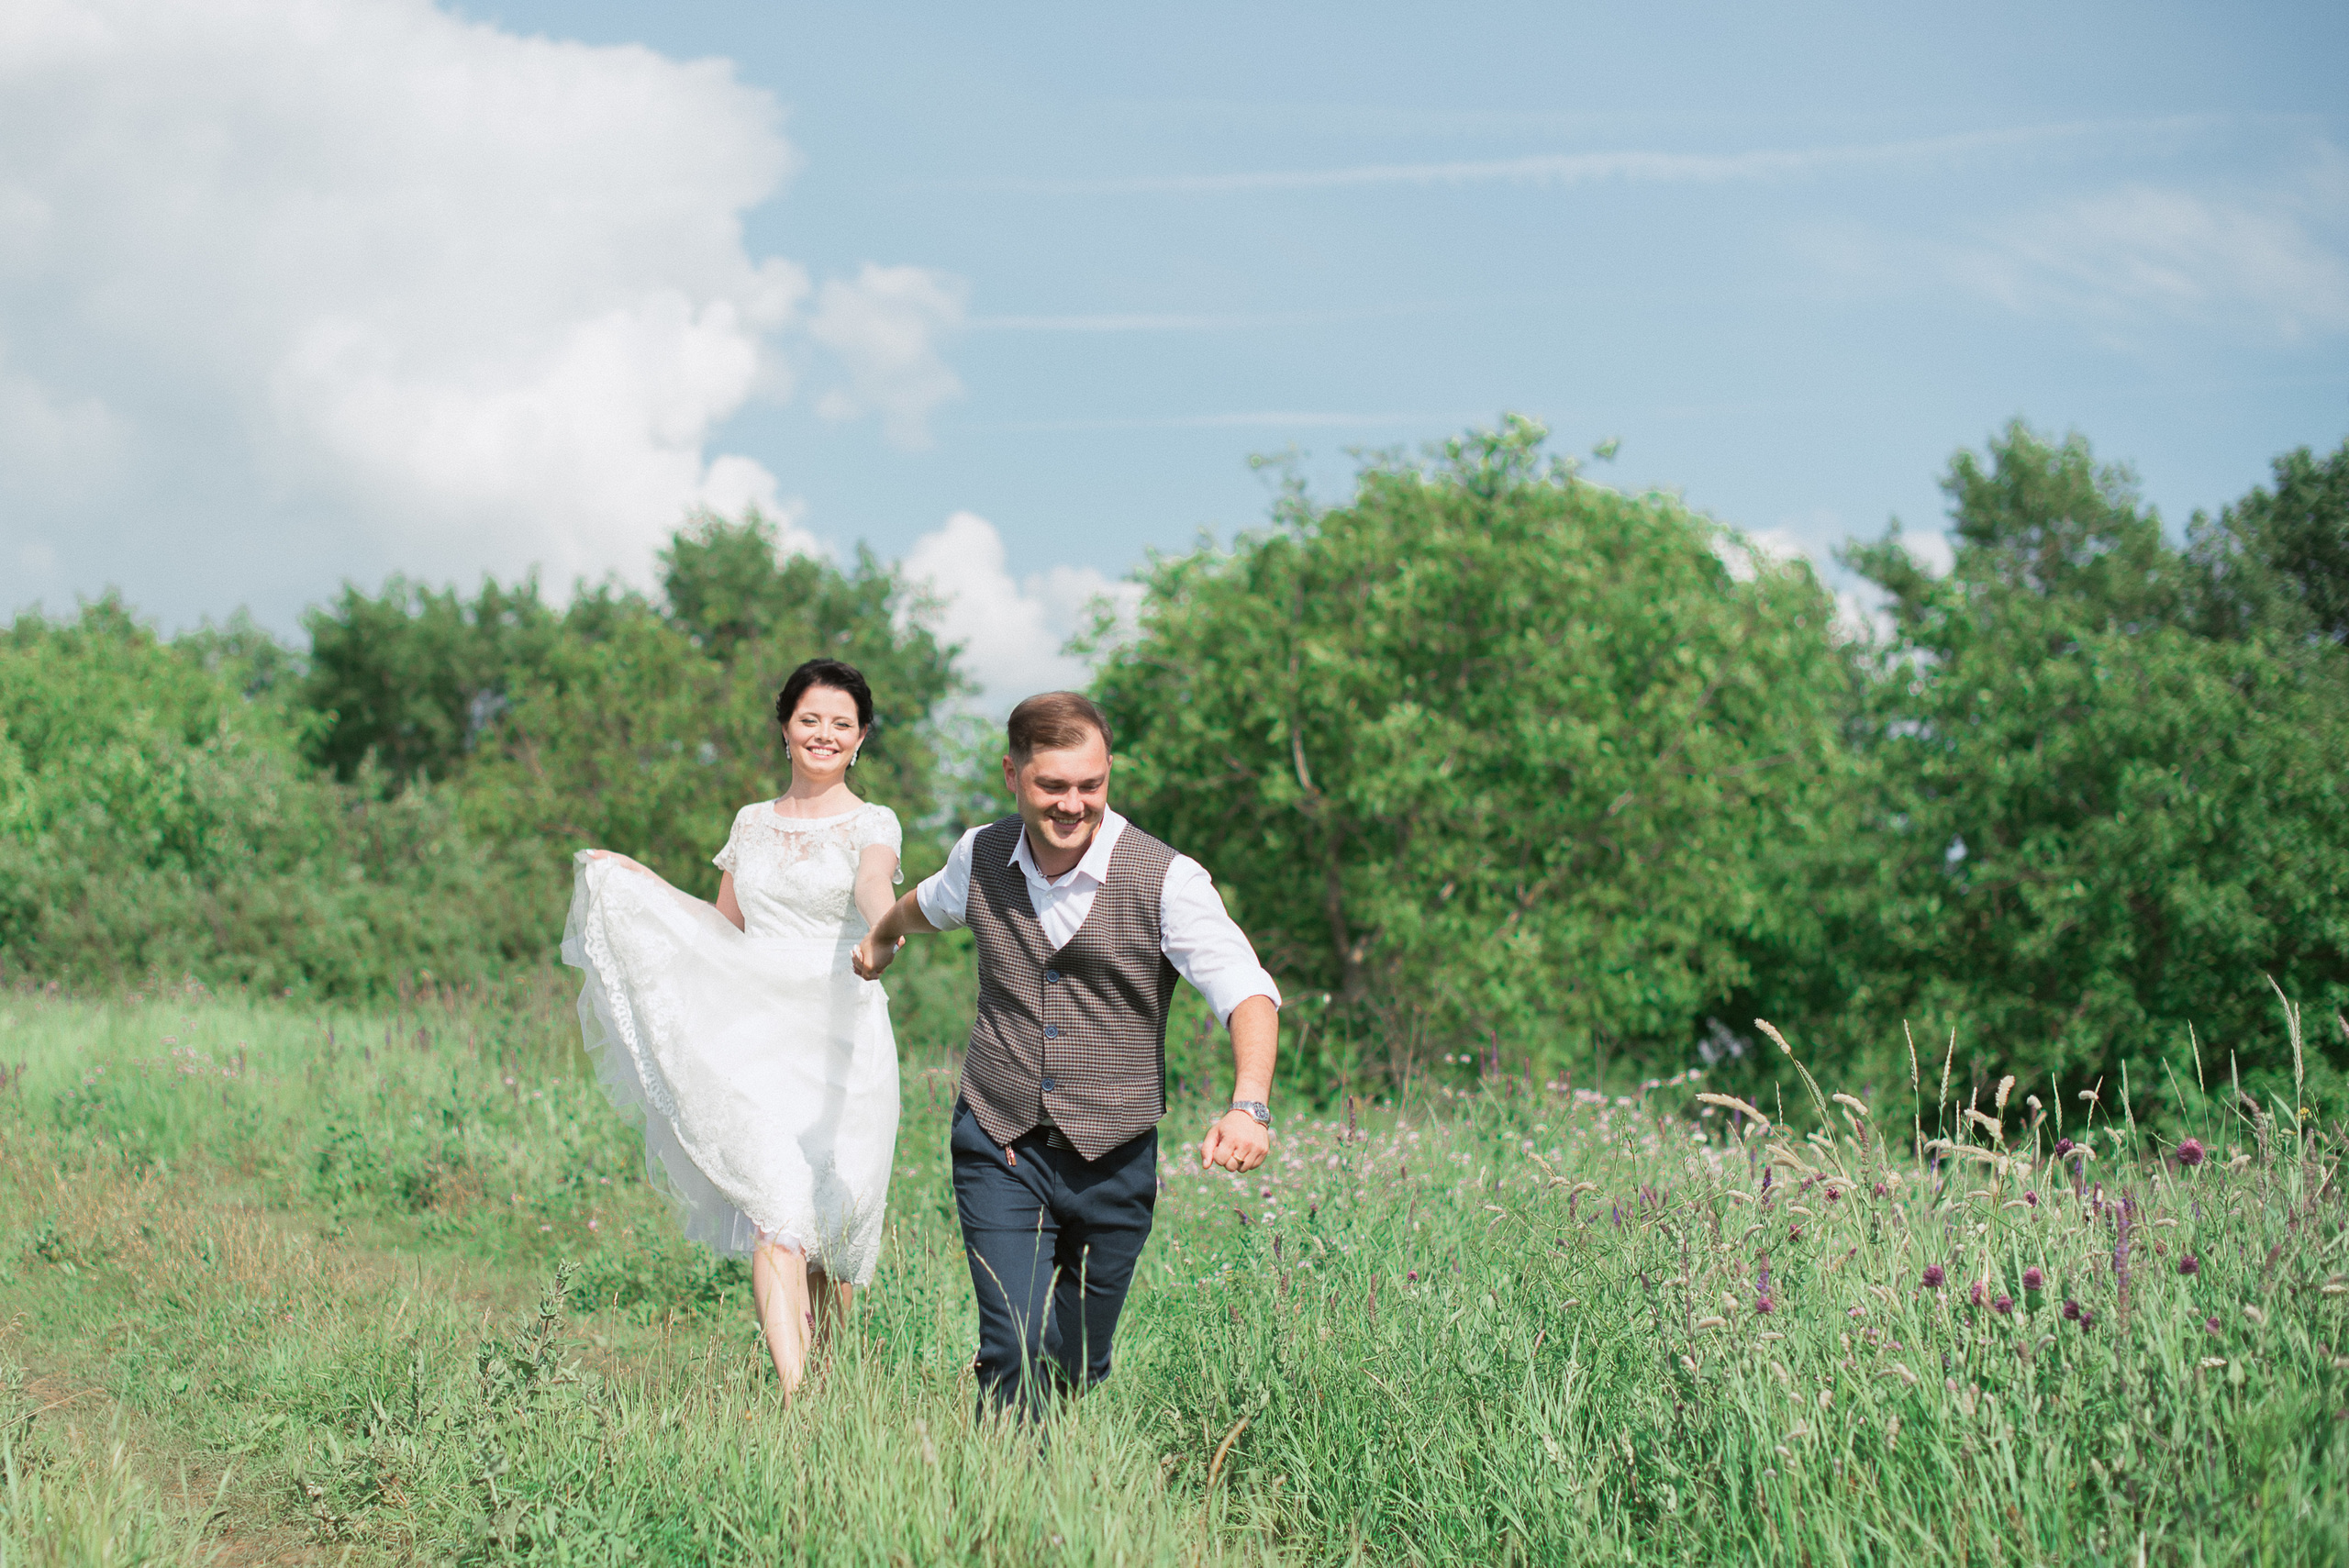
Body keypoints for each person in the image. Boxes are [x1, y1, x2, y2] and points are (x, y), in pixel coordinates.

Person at [852, 690, 1278, 1420]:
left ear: (1109, 771)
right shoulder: (982, 853)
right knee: (1011, 1346)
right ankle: (1009, 1502)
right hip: (1000, 1138)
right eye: (1053, 785)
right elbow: (928, 901)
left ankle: (1058, 1422)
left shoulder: (1167, 879)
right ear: (1013, 774)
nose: (1073, 803)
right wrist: (883, 933)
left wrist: (1249, 1104)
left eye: (1091, 784)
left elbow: (1246, 990)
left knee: (1074, 1358)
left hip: (1114, 1155)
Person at [562, 658, 904, 1398]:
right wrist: (641, 887)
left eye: (841, 723)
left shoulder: (873, 823)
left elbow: (876, 881)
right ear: (785, 727)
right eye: (810, 718)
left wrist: (886, 925)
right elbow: (721, 929)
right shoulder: (751, 823)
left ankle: (844, 1382)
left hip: (843, 1038)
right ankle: (797, 1399)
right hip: (759, 1038)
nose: (824, 733)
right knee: (778, 1210)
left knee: (832, 1235)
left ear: (860, 739)